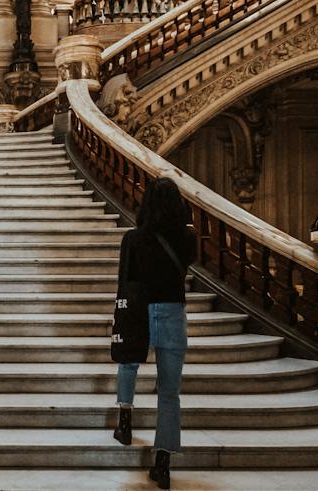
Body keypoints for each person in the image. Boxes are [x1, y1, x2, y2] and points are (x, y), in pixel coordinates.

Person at [113, 177, 195, 488]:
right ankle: (163, 463)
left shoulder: (133, 239)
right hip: (173, 312)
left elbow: (125, 280)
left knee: (128, 363)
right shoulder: (188, 239)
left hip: (140, 310)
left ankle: (125, 422)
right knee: (170, 393)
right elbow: (186, 265)